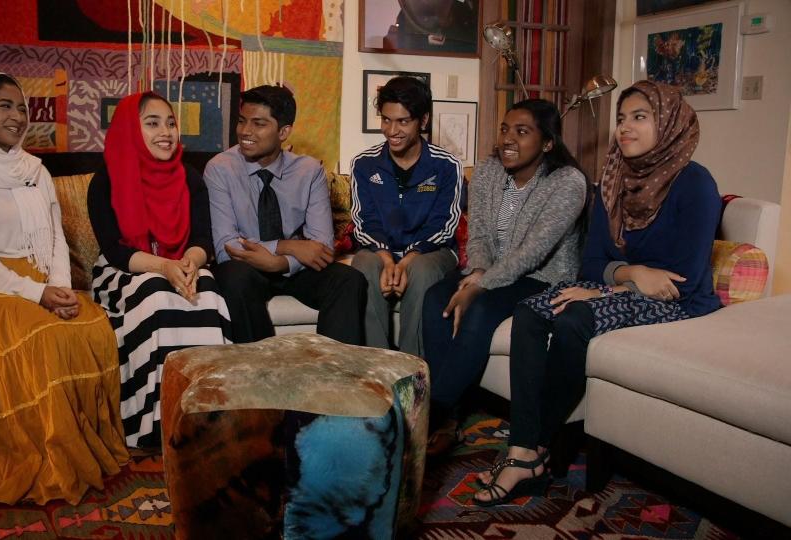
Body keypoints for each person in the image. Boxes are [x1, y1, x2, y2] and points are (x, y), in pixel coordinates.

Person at [474, 80, 722, 506]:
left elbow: (677, 278)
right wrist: (626, 274)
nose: (625, 127)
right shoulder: (613, 180)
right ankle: (523, 451)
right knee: (531, 311)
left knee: (575, 317)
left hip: (681, 301)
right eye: (622, 118)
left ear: (668, 124)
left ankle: (530, 449)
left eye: (639, 117)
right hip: (625, 284)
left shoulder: (695, 183)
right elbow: (591, 264)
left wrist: (608, 289)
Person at [0, 72, 128, 504]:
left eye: (22, 107)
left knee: (91, 326)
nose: (18, 116)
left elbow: (54, 237)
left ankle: (87, 450)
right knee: (47, 336)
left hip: (40, 277)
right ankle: (48, 460)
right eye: (4, 106)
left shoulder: (35, 169)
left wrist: (59, 287)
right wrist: (36, 296)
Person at [421, 99, 589, 456]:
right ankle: (449, 421)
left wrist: (480, 285)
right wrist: (479, 272)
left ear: (547, 143)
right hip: (492, 270)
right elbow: (479, 234)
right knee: (436, 299)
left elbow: (534, 252)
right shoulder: (488, 170)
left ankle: (429, 416)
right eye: (505, 129)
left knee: (479, 309)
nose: (508, 139)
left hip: (543, 277)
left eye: (522, 131)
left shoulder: (568, 182)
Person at [88, 91, 232, 448]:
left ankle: (208, 420)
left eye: (170, 123)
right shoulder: (106, 179)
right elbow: (116, 251)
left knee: (209, 291)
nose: (165, 132)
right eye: (152, 123)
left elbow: (203, 239)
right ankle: (152, 424)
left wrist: (190, 263)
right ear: (130, 130)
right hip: (124, 269)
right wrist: (165, 267)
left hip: (181, 263)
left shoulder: (190, 178)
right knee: (154, 293)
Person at [205, 85, 367, 344]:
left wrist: (279, 263)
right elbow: (227, 247)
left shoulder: (309, 171)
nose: (245, 131)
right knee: (234, 276)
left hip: (294, 270)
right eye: (242, 121)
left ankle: (335, 375)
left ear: (284, 131)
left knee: (349, 280)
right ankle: (261, 372)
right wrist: (287, 246)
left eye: (258, 124)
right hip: (246, 269)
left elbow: (322, 248)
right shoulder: (220, 168)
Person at [350, 76, 461, 357]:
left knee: (421, 270)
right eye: (386, 120)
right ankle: (378, 369)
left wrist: (408, 258)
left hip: (431, 252)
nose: (392, 130)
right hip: (381, 250)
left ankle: (412, 376)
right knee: (363, 262)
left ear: (422, 121)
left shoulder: (447, 166)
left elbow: (444, 226)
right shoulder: (364, 164)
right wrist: (387, 258)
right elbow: (365, 223)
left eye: (403, 121)